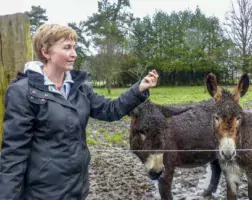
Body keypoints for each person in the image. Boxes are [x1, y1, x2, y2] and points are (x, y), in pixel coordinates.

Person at [0, 24, 159, 200]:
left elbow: (110, 110)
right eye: (67, 48)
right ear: (46, 52)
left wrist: (139, 89)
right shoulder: (23, 92)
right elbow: (14, 153)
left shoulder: (80, 87)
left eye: (74, 47)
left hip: (77, 189)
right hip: (42, 193)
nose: (74, 54)